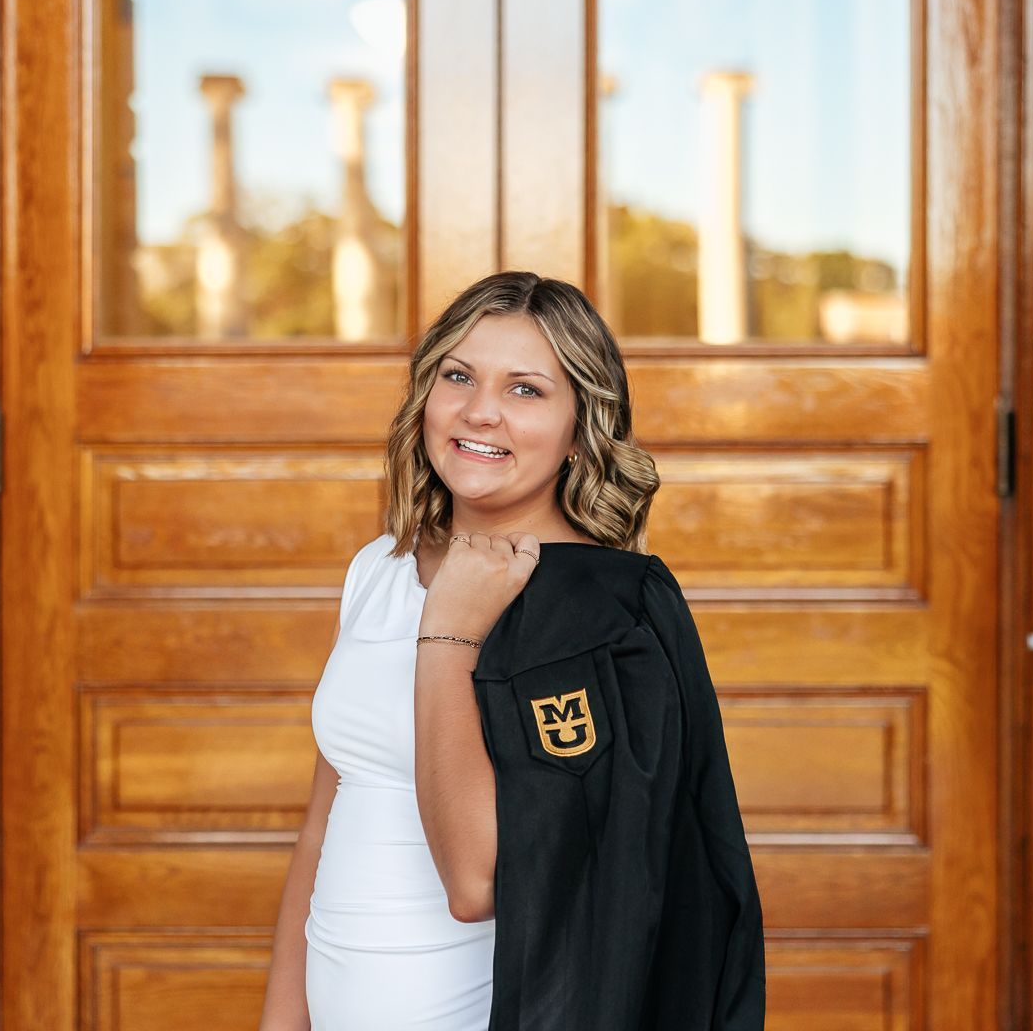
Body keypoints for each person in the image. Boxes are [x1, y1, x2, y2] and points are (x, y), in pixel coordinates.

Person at [258, 270, 760, 1030]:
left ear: (579, 425)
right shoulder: (380, 569)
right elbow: (324, 826)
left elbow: (478, 882)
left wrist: (450, 632)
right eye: (457, 376)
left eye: (526, 390)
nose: (479, 411)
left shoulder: (603, 616)